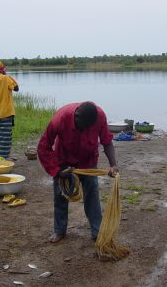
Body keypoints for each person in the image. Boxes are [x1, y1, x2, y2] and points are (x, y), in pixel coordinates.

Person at [37, 102, 118, 243]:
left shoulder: (100, 116)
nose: (84, 130)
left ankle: (97, 231)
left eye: (88, 128)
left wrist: (113, 164)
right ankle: (59, 231)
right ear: (76, 117)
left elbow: (107, 142)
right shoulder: (60, 119)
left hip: (88, 160)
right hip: (64, 160)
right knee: (61, 194)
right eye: (82, 127)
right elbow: (43, 147)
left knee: (92, 193)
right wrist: (57, 171)